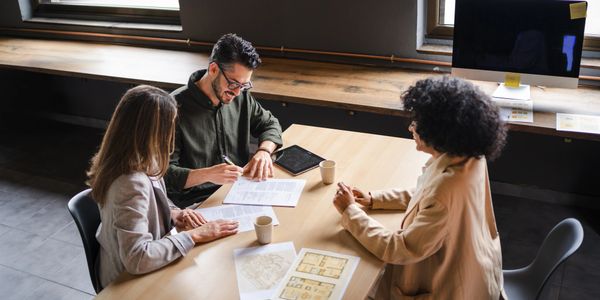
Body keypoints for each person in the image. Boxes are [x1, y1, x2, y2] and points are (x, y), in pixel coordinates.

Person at [332, 76, 507, 299]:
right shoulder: (470, 157)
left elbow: (400, 248)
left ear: (439, 132)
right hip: (477, 266)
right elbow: (425, 196)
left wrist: (350, 212)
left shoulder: (446, 188)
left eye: (417, 123)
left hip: (451, 287)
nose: (410, 127)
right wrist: (374, 198)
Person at [87, 85, 239, 289]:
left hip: (147, 253)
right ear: (153, 131)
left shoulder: (135, 156)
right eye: (170, 126)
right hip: (124, 282)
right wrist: (195, 235)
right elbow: (137, 258)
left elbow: (153, 198)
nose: (172, 134)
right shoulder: (130, 183)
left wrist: (174, 212)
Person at [165, 33, 283, 208]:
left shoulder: (241, 97)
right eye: (233, 83)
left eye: (244, 85)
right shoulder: (171, 110)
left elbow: (270, 124)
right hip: (196, 204)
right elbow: (163, 175)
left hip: (239, 191)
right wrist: (207, 174)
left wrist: (264, 152)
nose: (237, 92)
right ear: (213, 70)